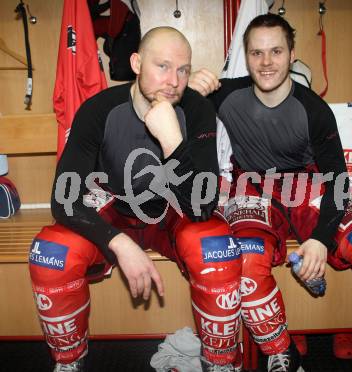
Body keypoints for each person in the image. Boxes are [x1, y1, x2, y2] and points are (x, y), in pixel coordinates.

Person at [188, 14, 352, 372]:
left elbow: (339, 181)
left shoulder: (313, 109)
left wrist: (320, 239)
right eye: (257, 53)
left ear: (292, 55)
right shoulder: (226, 94)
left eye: (276, 51)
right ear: (246, 56)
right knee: (248, 264)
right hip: (254, 188)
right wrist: (188, 86)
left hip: (310, 186)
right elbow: (171, 109)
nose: (266, 63)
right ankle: (283, 353)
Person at [29, 27, 238, 372]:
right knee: (52, 252)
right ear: (137, 63)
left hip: (172, 212)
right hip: (115, 213)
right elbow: (63, 199)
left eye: (183, 70)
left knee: (215, 244)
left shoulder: (197, 108)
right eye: (163, 66)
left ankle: (220, 362)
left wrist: (172, 141)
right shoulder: (99, 109)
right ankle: (69, 360)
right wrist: (120, 243)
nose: (173, 80)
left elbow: (201, 206)